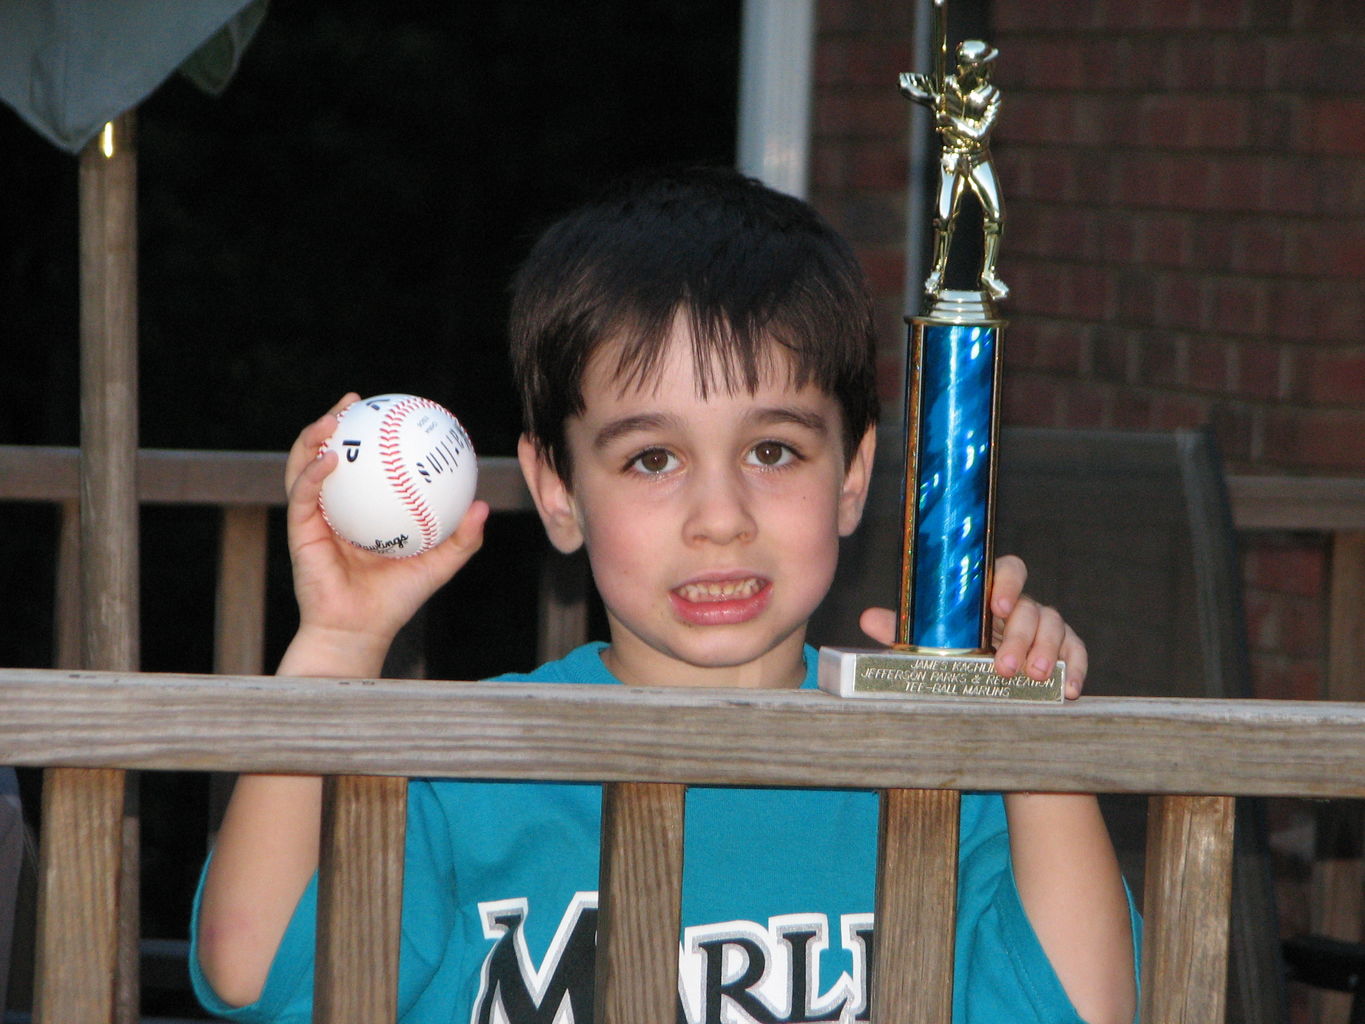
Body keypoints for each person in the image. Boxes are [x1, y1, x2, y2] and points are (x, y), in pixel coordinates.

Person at [192, 167, 1138, 1024]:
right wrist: (338, 644)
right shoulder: (464, 768)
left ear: (851, 477)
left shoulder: (939, 771)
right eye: (652, 458)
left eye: (773, 451)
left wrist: (1027, 725)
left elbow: (1086, 1009)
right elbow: (253, 971)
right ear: (558, 488)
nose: (718, 517)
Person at [900, 39, 1009, 301]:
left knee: (995, 214)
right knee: (944, 216)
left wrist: (950, 120)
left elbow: (979, 133)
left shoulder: (991, 96)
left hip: (977, 158)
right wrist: (933, 98)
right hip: (951, 159)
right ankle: (937, 273)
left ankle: (988, 274)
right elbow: (905, 82)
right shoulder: (946, 86)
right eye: (980, 65)